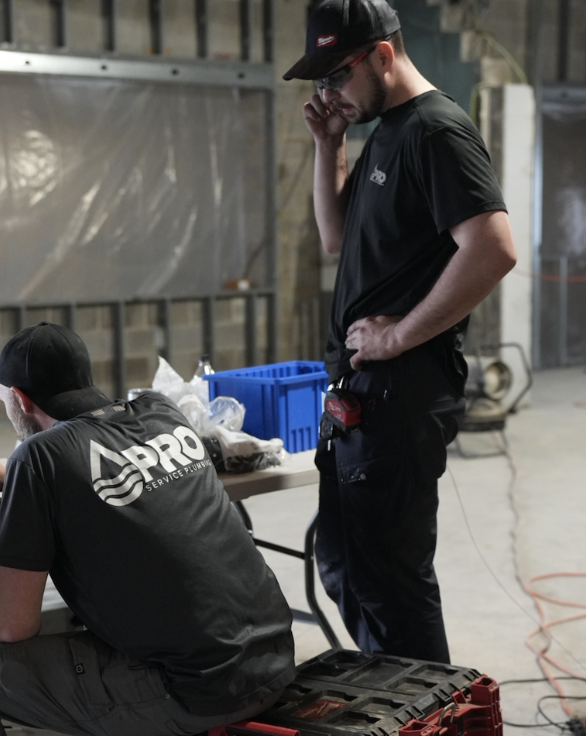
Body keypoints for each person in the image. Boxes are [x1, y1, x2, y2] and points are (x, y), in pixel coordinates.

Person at [0, 321, 295, 736]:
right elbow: (111, 478)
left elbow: (11, 628)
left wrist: (25, 474)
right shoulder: (162, 411)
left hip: (190, 693)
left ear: (19, 399)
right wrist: (13, 479)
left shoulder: (39, 456)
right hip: (271, 662)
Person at [283, 0, 517, 662]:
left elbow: (493, 247)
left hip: (399, 395)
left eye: (337, 75)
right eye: (320, 81)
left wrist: (397, 336)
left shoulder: (435, 131)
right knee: (348, 564)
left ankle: (431, 707)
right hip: (362, 396)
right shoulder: (387, 130)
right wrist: (329, 146)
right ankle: (403, 700)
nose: (328, 93)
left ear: (383, 55)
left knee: (390, 587)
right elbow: (336, 238)